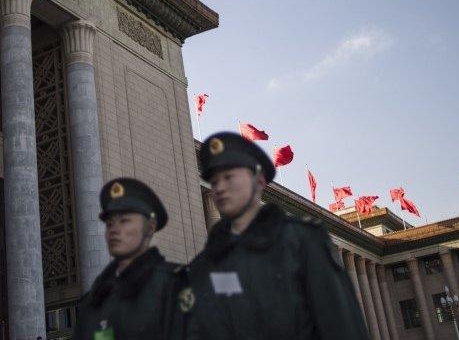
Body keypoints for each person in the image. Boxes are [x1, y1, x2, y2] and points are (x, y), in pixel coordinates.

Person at [181, 132, 369, 339]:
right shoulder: (204, 266)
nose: (221, 188)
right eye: (215, 181)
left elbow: (340, 324)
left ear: (259, 181)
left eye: (229, 177)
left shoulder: (301, 243)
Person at [73, 178, 183, 340]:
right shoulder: (93, 301)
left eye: (124, 221)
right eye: (110, 224)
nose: (114, 230)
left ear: (150, 227)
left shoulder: (174, 286)